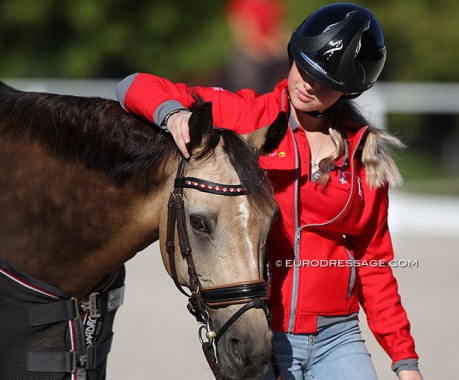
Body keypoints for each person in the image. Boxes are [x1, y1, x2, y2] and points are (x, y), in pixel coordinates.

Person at [115, 3, 424, 380]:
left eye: (325, 82)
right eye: (304, 68)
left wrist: (405, 361)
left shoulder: (365, 158)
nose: (308, 84)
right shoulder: (248, 116)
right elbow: (132, 85)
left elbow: (374, 265)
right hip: (261, 332)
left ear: (349, 90)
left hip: (339, 337)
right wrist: (173, 114)